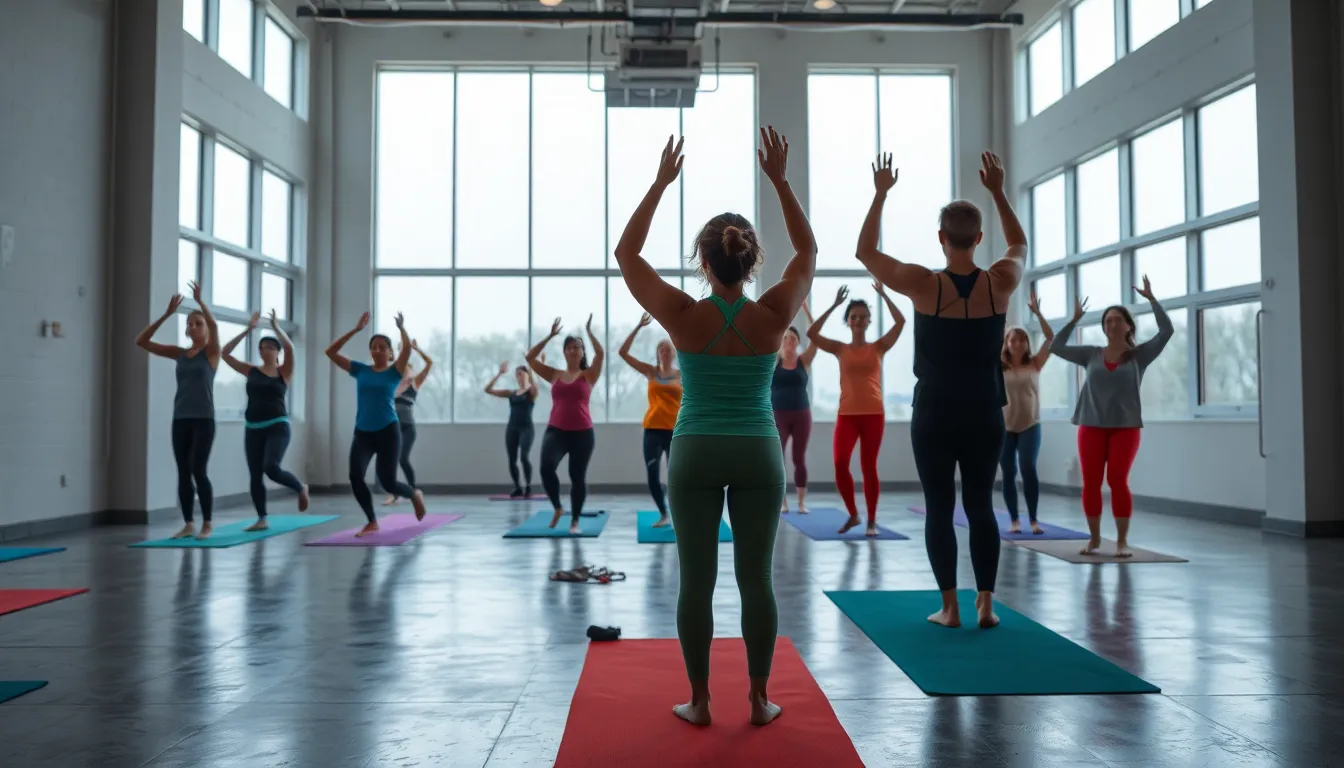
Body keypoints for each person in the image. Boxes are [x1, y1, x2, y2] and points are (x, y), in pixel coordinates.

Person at [614, 128, 815, 727]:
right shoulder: (774, 313)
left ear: (703, 261)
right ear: (751, 261)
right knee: (757, 579)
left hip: (695, 451)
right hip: (758, 452)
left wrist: (658, 184)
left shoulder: (682, 313)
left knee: (695, 581)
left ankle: (699, 702)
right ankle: (758, 700)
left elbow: (627, 255)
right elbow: (806, 253)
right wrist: (780, 181)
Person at [857, 151, 1026, 630]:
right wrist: (996, 191)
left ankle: (950, 607)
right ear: (977, 238)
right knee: (980, 505)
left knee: (940, 507)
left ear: (940, 238)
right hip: (984, 411)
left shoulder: (924, 284)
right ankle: (986, 605)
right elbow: (1018, 243)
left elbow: (866, 252)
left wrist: (880, 194)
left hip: (934, 410)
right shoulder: (1000, 283)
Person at [1049, 278, 1173, 557]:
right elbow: (1056, 347)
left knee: (1117, 480)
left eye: (1118, 320)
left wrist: (1152, 299)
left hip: (1125, 428)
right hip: (1090, 425)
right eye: (1107, 321)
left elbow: (1167, 331)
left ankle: (1121, 541)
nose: (1112, 325)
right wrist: (1074, 320)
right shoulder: (1091, 354)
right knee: (1091, 482)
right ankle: (1094, 539)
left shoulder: (1139, 355)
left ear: (1128, 325)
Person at [806, 282, 905, 536]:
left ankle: (871, 520)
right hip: (846, 415)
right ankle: (853, 514)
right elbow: (813, 334)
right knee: (840, 463)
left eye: (863, 317)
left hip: (873, 414)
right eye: (854, 317)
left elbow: (900, 322)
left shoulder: (878, 347)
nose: (858, 320)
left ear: (869, 321)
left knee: (868, 466)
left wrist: (883, 294)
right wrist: (834, 305)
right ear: (848, 321)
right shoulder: (840, 348)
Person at [326, 311, 427, 536]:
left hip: (388, 431)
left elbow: (408, 349)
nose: (378, 350)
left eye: (383, 347)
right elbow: (330, 352)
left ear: (391, 353)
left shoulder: (394, 372)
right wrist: (355, 330)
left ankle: (413, 494)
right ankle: (372, 521)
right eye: (374, 347)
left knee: (388, 482)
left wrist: (401, 328)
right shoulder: (361, 370)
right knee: (355, 476)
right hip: (363, 431)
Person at [135, 281, 220, 540]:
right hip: (180, 418)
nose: (193, 326)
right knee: (183, 471)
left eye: (198, 323)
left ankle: (206, 523)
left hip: (204, 419)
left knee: (198, 469)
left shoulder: (212, 353)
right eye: (190, 323)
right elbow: (142, 341)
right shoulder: (179, 354)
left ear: (205, 329)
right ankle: (188, 523)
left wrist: (201, 302)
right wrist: (166, 315)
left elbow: (215, 326)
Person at [219, 310, 310, 531]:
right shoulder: (251, 371)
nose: (265, 350)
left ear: (277, 352)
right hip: (253, 428)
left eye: (270, 347)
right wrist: (248, 330)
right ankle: (261, 518)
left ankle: (300, 488)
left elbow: (290, 348)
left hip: (278, 426)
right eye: (262, 347)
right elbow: (225, 353)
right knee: (255, 474)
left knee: (271, 467)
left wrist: (277, 328)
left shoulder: (284, 372)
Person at [526, 316, 604, 535]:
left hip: (583, 433)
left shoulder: (589, 375)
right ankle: (558, 508)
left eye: (577, 347)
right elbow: (530, 358)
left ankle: (575, 521)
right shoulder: (555, 374)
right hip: (556, 430)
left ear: (582, 352)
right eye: (569, 347)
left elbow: (601, 354)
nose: (573, 350)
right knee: (545, 467)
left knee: (577, 477)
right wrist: (550, 335)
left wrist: (589, 331)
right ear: (564, 352)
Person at [619, 312, 683, 528]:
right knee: (653, 476)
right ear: (657, 354)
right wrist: (638, 327)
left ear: (674, 353)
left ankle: (679, 515)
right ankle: (664, 514)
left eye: (668, 349)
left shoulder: (681, 375)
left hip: (675, 431)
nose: (665, 352)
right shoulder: (651, 372)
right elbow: (623, 353)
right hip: (652, 430)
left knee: (676, 478)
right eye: (661, 349)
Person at [1000, 291, 1054, 535]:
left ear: (1026, 343)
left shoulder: (1035, 363)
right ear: (1007, 343)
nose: (1018, 343)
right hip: (1004, 427)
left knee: (1028, 468)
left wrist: (1039, 314)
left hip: (1030, 425)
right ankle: (1014, 520)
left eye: (1021, 340)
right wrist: (998, 320)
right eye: (1013, 340)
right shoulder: (998, 365)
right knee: (1008, 471)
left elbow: (1051, 337)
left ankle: (1033, 519)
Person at [772, 303, 818, 515]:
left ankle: (800, 502)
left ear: (798, 342)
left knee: (799, 458)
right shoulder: (774, 361)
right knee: (778, 458)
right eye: (785, 338)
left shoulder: (803, 360)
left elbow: (816, 337)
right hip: (778, 414)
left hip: (801, 415)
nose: (789, 341)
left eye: (792, 338)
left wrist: (807, 312)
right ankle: (782, 502)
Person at [382, 340, 433, 506]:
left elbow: (429, 363)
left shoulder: (414, 383)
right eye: (402, 368)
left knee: (403, 459)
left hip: (408, 428)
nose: (405, 370)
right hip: (392, 427)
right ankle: (394, 494)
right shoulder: (393, 384)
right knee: (390, 460)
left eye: (407, 368)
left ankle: (413, 491)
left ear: (411, 370)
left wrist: (417, 349)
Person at [485, 362, 540, 497]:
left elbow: (535, 387)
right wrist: (499, 373)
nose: (519, 377)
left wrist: (531, 367)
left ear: (527, 375)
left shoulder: (531, 393)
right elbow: (488, 389)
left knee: (524, 457)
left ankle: (528, 486)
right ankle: (517, 487)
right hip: (512, 429)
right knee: (512, 459)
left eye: (521, 374)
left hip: (526, 429)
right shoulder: (511, 393)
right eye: (517, 375)